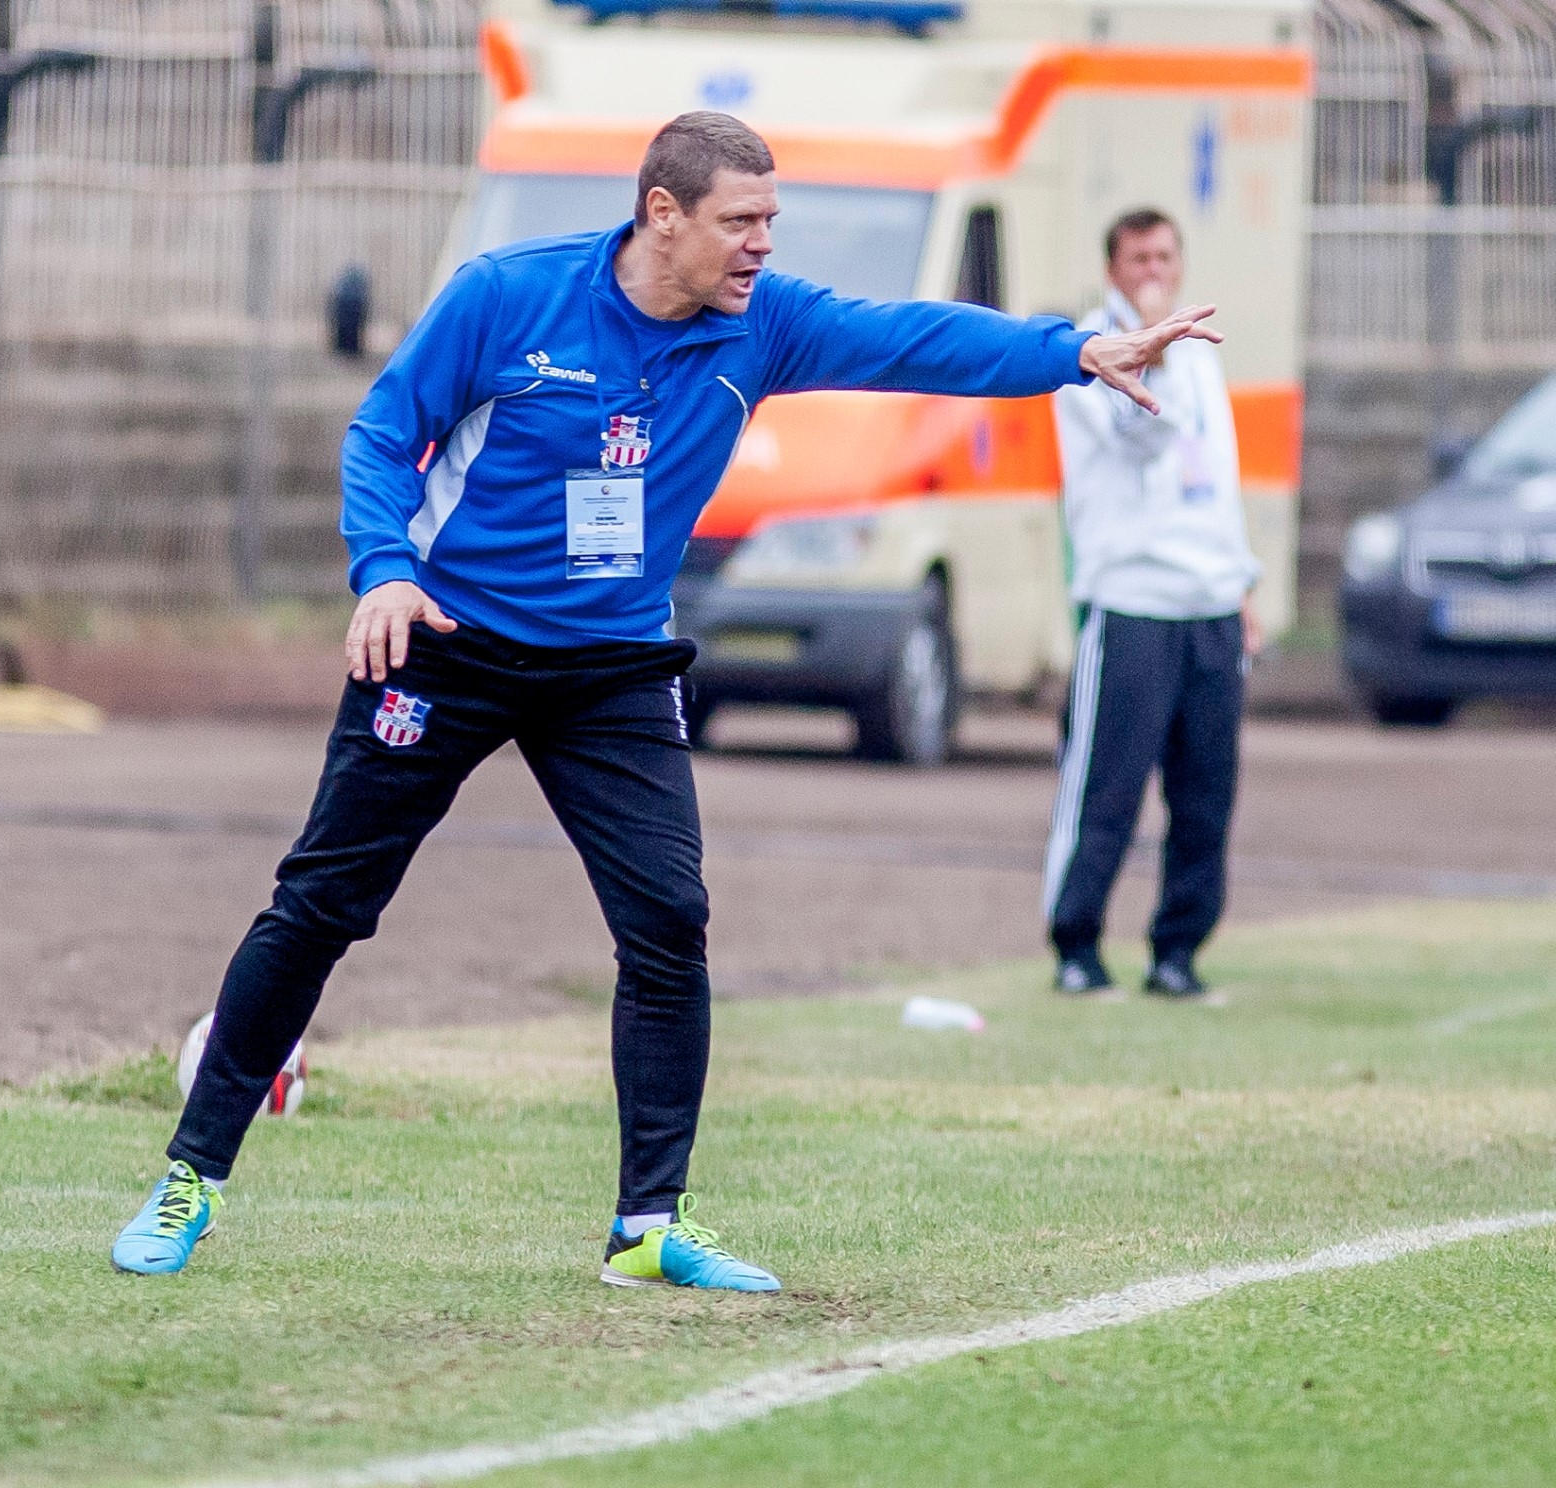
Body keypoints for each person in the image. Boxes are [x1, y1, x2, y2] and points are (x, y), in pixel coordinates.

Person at [108, 114, 1219, 1289]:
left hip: (612, 666)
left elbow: (909, 341)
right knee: (324, 903)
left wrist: (1070, 355)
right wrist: (382, 569)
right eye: (740, 224)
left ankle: (647, 1230)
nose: (759, 249)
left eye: (770, 226)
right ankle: (191, 1178)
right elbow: (385, 435)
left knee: (667, 922)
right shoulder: (506, 296)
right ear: (661, 213)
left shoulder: (763, 324)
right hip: (446, 639)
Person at [1042, 207, 1262, 1003]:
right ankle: (1077, 945)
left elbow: (1218, 478)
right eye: (1138, 258)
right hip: (1132, 598)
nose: (1153, 270)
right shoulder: (1094, 353)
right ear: (1114, 268)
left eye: (1165, 256)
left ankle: (1178, 953)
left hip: (1207, 599)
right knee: (1107, 786)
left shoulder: (1197, 352)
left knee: (1205, 794)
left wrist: (1240, 582)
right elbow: (1140, 439)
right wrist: (1150, 356)